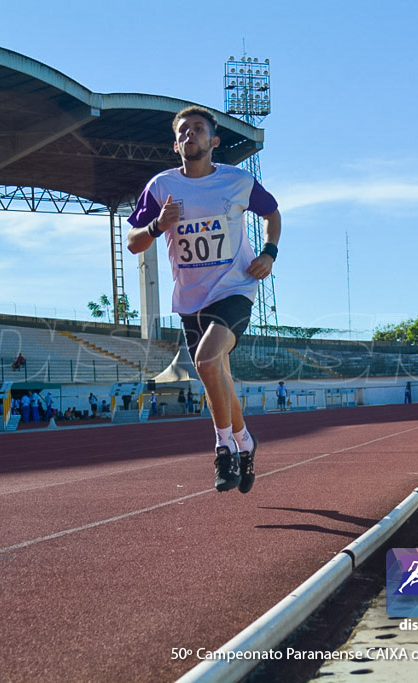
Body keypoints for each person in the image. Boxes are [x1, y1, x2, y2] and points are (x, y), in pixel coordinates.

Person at [127, 105, 281, 494]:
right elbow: (132, 242)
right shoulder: (161, 187)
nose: (189, 135)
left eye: (198, 129)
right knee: (219, 379)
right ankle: (246, 441)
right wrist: (157, 225)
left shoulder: (237, 182)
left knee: (207, 360)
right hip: (190, 300)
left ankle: (223, 447)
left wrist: (269, 252)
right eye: (183, 131)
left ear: (213, 141)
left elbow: (272, 212)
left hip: (234, 288)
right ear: (175, 143)